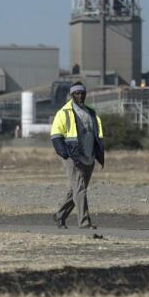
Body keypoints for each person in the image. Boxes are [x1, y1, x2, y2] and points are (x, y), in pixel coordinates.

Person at [50, 82, 105, 229]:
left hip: (88, 157)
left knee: (76, 189)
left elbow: (97, 136)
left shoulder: (91, 113)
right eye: (77, 93)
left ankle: (60, 215)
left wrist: (98, 154)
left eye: (82, 93)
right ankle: (84, 222)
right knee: (80, 189)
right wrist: (65, 154)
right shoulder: (63, 113)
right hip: (71, 156)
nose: (80, 96)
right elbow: (55, 136)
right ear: (72, 95)